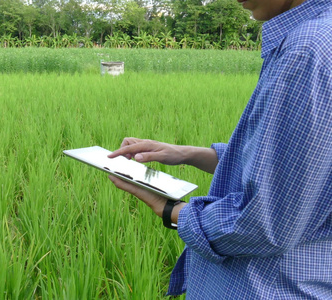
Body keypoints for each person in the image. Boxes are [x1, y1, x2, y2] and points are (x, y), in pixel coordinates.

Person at [107, 0, 332, 298]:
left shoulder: (308, 49)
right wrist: (187, 153)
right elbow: (296, 164)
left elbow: (265, 225)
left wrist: (169, 209)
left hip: (266, 287)